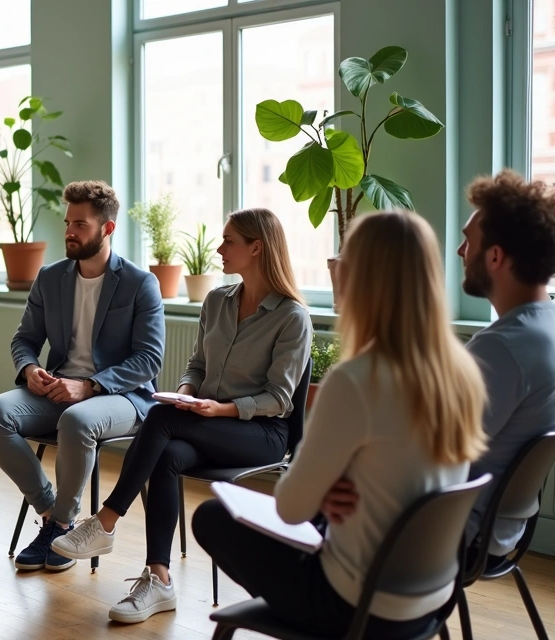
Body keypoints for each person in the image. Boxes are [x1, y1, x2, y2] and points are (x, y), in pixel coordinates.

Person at [191, 211, 487, 639]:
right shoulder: (462, 373)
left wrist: (319, 491)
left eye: (345, 258)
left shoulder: (355, 381)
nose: (336, 268)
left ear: (365, 278)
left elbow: (292, 509)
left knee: (213, 516)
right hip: (432, 597)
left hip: (355, 603)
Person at [51, 208, 311, 620]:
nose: (219, 249)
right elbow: (196, 367)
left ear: (256, 248)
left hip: (261, 433)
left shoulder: (292, 317)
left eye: (229, 241)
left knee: (159, 419)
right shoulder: (217, 301)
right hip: (204, 420)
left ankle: (105, 520)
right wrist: (186, 394)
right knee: (168, 451)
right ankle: (160, 580)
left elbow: (279, 399)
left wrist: (219, 409)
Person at [321, 170, 555, 564]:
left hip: (445, 535)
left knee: (236, 517)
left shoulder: (501, 349)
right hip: (504, 528)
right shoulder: (545, 327)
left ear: (495, 256)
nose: (461, 252)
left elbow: (420, 457)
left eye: (469, 241)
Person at [0, 180, 166, 573]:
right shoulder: (51, 277)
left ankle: (65, 525)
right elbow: (24, 339)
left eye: (80, 224)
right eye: (67, 222)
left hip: (123, 395)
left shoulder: (140, 283)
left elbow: (149, 359)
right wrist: (30, 369)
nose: (69, 232)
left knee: (77, 420)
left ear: (107, 229)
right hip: (59, 386)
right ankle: (50, 516)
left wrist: (90, 385)